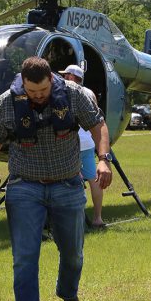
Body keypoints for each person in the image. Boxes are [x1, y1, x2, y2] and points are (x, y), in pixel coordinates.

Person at [0, 57, 112, 301]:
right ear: (23, 83)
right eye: (32, 91)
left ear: (52, 79)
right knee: (24, 258)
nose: (38, 96)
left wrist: (103, 159)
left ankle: (68, 294)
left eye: (43, 90)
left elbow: (98, 125)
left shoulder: (74, 95)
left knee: (73, 253)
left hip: (67, 185)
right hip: (24, 187)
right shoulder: (7, 102)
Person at [59, 64, 106, 229]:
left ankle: (75, 221)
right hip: (88, 143)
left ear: (71, 77)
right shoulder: (90, 93)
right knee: (93, 180)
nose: (63, 78)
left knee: (71, 181)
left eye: (65, 75)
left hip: (72, 144)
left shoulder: (66, 92)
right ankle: (98, 218)